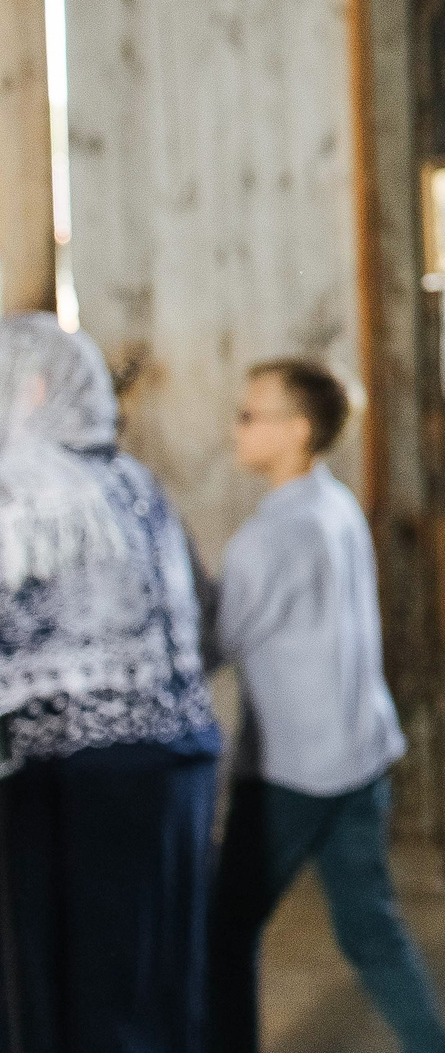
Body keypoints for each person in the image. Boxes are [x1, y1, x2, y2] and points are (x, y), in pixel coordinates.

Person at [206, 359, 445, 1053]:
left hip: (293, 768)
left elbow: (213, 641)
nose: (237, 427)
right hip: (361, 752)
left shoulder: (267, 540)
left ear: (297, 430)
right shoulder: (333, 504)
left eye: (250, 414)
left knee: (223, 932)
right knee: (373, 930)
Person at [0, 312, 221, 1053]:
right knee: (156, 966)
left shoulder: (17, 492)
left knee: (70, 982)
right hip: (174, 757)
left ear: (30, 388)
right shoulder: (134, 482)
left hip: (64, 774)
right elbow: (203, 608)